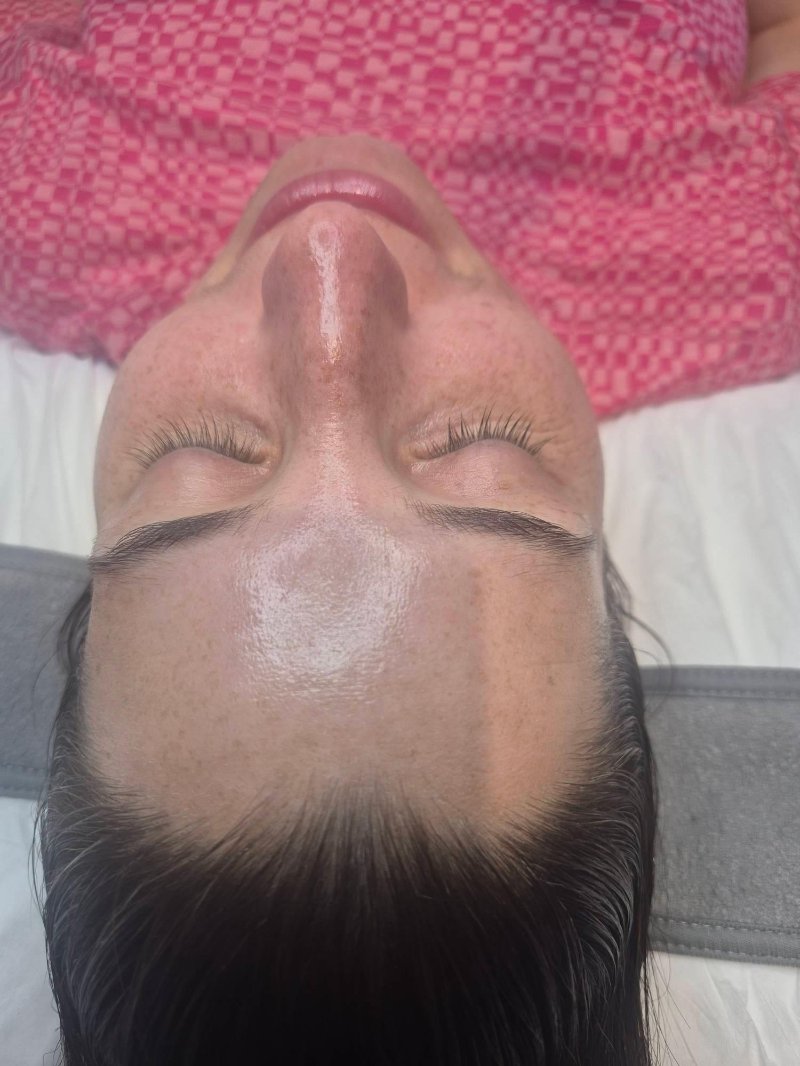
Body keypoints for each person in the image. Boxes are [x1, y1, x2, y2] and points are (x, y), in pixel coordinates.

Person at [5, 1, 795, 1064]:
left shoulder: (36, 188)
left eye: (202, 451)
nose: (330, 253)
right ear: (615, 594)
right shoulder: (745, 246)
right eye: (481, 446)